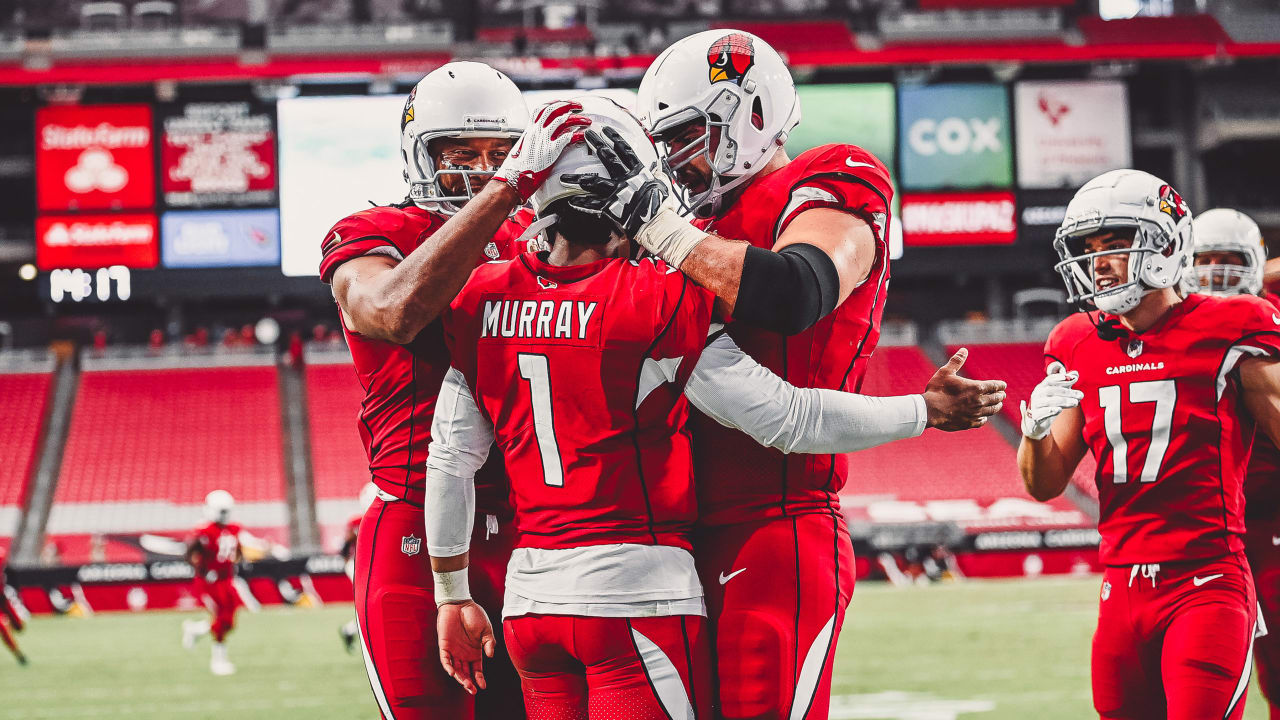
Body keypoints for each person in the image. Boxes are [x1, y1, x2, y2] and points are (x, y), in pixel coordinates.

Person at [422, 98, 1003, 718]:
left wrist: (451, 594)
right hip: (636, 595)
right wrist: (922, 411)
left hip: (529, 607)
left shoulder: (480, 294)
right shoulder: (655, 295)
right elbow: (789, 418)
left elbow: (450, 461)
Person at [565, 29, 928, 718]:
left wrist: (662, 231)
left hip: (774, 520)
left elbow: (796, 292)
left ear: (749, 112)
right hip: (664, 536)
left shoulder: (831, 175)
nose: (673, 161)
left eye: (685, 137)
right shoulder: (686, 223)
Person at [320, 60, 589, 720]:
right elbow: (389, 310)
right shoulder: (373, 233)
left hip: (541, 523)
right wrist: (505, 192)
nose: (483, 169)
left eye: (502, 154)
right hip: (415, 525)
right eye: (462, 154)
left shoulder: (550, 236)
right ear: (422, 157)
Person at [1018, 170, 1280, 719]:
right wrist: (1034, 432)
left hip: (1206, 579)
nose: (1099, 263)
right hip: (1120, 587)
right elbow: (1044, 483)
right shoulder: (1075, 340)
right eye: (1089, 250)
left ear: (1165, 243)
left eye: (1116, 244)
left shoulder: (1232, 323)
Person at [1187, 208, 1280, 718]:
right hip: (1201, 531)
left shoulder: (1271, 321)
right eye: (1204, 260)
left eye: (1230, 261)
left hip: (1266, 516)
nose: (1216, 273)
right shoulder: (1166, 325)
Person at [182, 490, 244, 676]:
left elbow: (237, 550)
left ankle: (196, 630)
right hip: (210, 582)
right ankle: (218, 659)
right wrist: (202, 571)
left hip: (227, 580)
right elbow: (189, 553)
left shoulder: (233, 529)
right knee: (221, 619)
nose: (224, 515)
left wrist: (237, 560)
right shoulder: (204, 531)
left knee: (230, 622)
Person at [339, 482, 378, 654]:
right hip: (358, 564)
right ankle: (354, 632)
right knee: (368, 604)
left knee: (371, 606)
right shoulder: (358, 520)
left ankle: (350, 630)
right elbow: (345, 546)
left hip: (366, 564)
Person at [0, 546, 26, 666]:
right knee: (3, 627)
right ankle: (18, 654)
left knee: (19, 626)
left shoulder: (1, 554)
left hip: (2, 598)